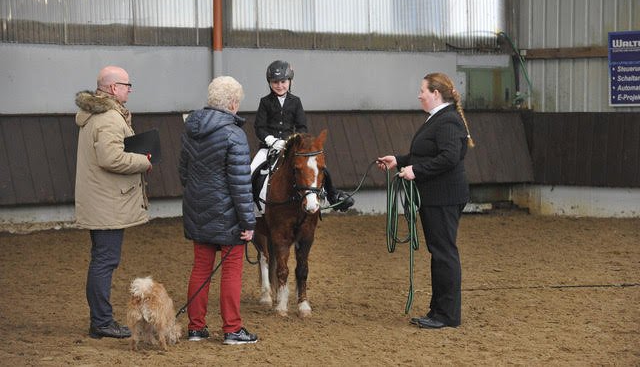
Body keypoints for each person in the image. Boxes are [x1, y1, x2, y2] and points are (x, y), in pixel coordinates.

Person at [377, 72, 474, 329]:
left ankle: (447, 315)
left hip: (443, 196)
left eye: (423, 90)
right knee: (440, 252)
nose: (419, 95)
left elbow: (449, 157)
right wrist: (399, 160)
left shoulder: (447, 121)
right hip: (436, 196)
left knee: (443, 253)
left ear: (436, 94)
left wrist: (416, 171)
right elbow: (425, 153)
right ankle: (439, 310)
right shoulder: (439, 119)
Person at [74, 65, 152, 339]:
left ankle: (100, 321)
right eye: (127, 85)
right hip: (106, 201)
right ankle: (102, 322)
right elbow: (111, 158)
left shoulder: (98, 115)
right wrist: (144, 161)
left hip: (101, 199)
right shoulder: (108, 118)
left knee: (102, 259)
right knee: (105, 261)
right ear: (113, 88)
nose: (130, 90)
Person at [179, 76, 258, 345]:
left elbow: (183, 173)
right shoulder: (234, 134)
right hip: (228, 216)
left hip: (197, 209)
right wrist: (248, 222)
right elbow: (240, 184)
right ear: (233, 103)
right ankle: (232, 329)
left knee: (200, 269)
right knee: (231, 270)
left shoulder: (190, 129)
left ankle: (196, 328)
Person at [250, 60, 354, 212]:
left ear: (290, 81)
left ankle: (333, 196)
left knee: (320, 167)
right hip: (269, 148)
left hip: (292, 148)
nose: (279, 85)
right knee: (251, 170)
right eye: (275, 82)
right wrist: (271, 140)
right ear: (270, 83)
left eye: (283, 82)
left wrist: (292, 141)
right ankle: (249, 207)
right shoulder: (265, 102)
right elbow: (259, 127)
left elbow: (302, 127)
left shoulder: (296, 102)